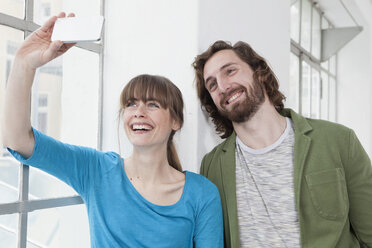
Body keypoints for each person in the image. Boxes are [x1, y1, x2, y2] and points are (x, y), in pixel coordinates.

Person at [1, 13, 223, 248]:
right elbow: (17, 140)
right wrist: (24, 63)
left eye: (153, 104)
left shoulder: (202, 194)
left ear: (176, 121)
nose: (138, 112)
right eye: (131, 104)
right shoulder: (96, 170)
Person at [192, 40, 372, 248]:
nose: (223, 86)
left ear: (258, 72)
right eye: (212, 84)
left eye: (230, 71)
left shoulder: (338, 140)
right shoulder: (212, 167)